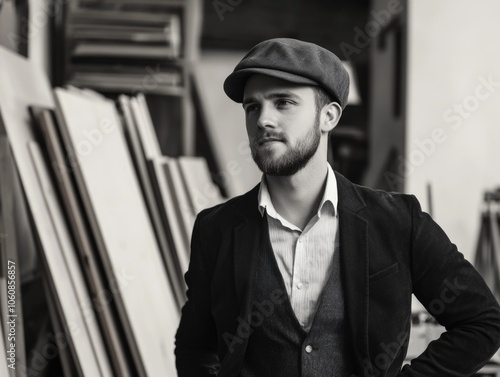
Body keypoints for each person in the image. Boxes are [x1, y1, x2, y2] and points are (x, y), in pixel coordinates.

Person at [175, 38, 500, 376]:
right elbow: (196, 346)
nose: (262, 120)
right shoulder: (217, 228)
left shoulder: (398, 222)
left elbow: (482, 322)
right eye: (252, 107)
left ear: (328, 116)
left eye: (283, 102)